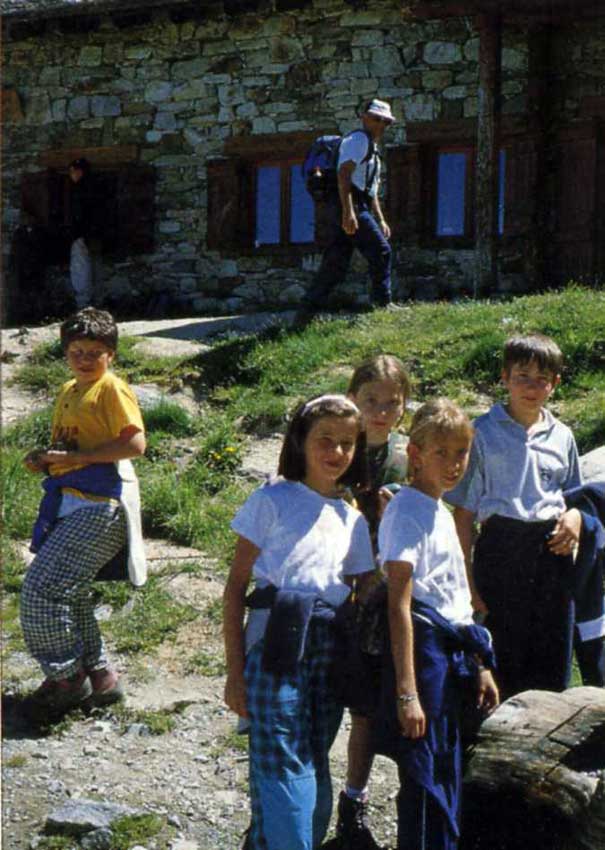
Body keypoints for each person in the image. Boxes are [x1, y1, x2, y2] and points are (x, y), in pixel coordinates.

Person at [223, 394, 375, 850]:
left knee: (313, 756)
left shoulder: (352, 518)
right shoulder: (271, 499)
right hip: (274, 644)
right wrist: (234, 673)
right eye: (325, 440)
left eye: (347, 444)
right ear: (299, 441)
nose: (337, 453)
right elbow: (234, 591)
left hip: (328, 648)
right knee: (281, 761)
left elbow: (365, 589)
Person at [376, 399, 499, 850]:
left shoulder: (442, 512)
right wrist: (408, 693)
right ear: (415, 453)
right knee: (425, 777)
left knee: (447, 765)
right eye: (441, 453)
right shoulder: (407, 511)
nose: (452, 464)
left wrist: (480, 664)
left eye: (461, 454)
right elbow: (400, 604)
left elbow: (455, 600)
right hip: (423, 654)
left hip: (452, 651)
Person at [21, 308, 146, 718]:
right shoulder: (70, 389)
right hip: (71, 498)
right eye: (76, 350)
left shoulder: (111, 388)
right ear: (66, 352)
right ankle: (101, 678)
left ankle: (66, 679)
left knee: (41, 589)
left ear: (111, 354)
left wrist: (75, 457)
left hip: (100, 504)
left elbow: (135, 445)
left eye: (95, 351)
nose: (85, 358)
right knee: (69, 592)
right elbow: (72, 448)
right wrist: (50, 459)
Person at [446, 333, 582, 700]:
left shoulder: (562, 436)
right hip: (501, 551)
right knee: (503, 653)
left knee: (551, 655)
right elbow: (464, 514)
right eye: (523, 376)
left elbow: (574, 498)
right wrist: (467, 583)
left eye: (542, 379)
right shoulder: (482, 434)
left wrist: (574, 518)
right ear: (504, 378)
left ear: (554, 384)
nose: (532, 387)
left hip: (552, 553)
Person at [332, 354, 410, 850]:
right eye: (370, 401)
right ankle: (351, 806)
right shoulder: (340, 449)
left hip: (398, 593)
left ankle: (414, 804)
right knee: (360, 709)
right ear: (353, 399)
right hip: (351, 594)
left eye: (391, 403)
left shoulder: (409, 454)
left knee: (404, 699)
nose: (380, 412)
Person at [301, 99, 395, 318]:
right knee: (381, 251)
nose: (380, 124)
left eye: (385, 121)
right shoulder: (359, 140)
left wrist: (380, 220)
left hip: (349, 204)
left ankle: (305, 314)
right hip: (347, 203)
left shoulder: (373, 150)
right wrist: (348, 212)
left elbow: (371, 191)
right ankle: (382, 304)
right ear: (364, 118)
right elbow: (344, 175)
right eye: (376, 119)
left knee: (335, 262)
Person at [68, 157, 94, 309]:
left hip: (82, 235)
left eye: (73, 171)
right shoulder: (86, 188)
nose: (71, 174)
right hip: (88, 235)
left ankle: (83, 303)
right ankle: (88, 301)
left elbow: (81, 215)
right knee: (88, 267)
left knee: (80, 267)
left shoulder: (81, 190)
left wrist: (79, 234)